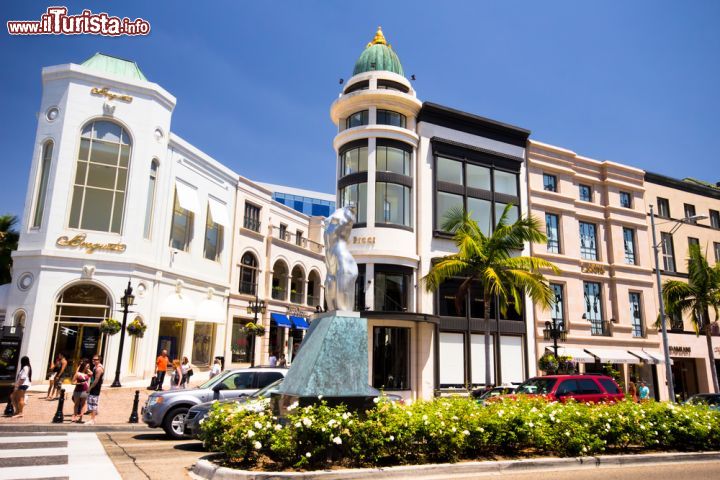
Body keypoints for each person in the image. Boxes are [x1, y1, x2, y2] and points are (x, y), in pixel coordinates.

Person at [86, 355, 104, 425]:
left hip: (95, 388)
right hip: (93, 387)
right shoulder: (95, 367)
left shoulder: (99, 368)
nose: (93, 360)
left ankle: (92, 420)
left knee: (93, 403)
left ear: (99, 360)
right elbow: (93, 375)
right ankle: (92, 418)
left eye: (95, 359)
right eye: (93, 359)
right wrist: (88, 369)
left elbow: (96, 380)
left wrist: (89, 388)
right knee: (91, 403)